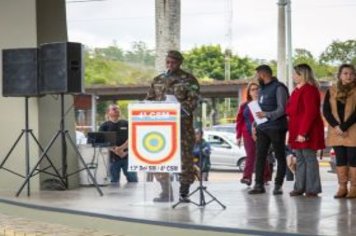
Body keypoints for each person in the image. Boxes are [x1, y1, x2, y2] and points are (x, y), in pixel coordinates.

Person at [146, 50, 200, 202]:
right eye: (168, 62)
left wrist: (176, 107)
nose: (170, 65)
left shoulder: (189, 79)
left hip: (182, 129)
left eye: (174, 62)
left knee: (185, 161)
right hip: (161, 129)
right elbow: (149, 100)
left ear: (180, 62)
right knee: (159, 159)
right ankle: (166, 192)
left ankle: (184, 193)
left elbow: (193, 101)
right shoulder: (158, 79)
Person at [248, 65, 289, 195]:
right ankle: (259, 184)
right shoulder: (262, 89)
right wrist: (255, 123)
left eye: (257, 75)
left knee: (279, 156)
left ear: (263, 74)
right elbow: (260, 109)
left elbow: (282, 109)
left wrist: (267, 114)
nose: (256, 78)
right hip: (262, 128)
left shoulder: (279, 87)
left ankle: (278, 185)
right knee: (260, 156)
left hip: (276, 127)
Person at [286, 64, 325, 197]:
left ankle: (312, 188)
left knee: (309, 159)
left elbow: (311, 112)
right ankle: (299, 187)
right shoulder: (296, 90)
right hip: (296, 129)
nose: (293, 76)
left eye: (295, 74)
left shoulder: (310, 89)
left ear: (302, 75)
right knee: (300, 159)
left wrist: (303, 132)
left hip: (307, 130)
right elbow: (290, 110)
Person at [323, 64, 356, 198]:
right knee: (340, 159)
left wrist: (344, 126)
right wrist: (336, 126)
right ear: (340, 75)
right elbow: (326, 110)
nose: (349, 76)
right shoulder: (332, 90)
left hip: (352, 130)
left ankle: (354, 187)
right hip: (336, 131)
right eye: (345, 73)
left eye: (351, 73)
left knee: (353, 159)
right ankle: (342, 187)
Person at [235, 81, 271, 186]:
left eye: (257, 89)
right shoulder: (244, 105)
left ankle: (265, 177)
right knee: (250, 155)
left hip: (262, 132)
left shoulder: (264, 104)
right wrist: (238, 136)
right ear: (249, 92)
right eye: (253, 89)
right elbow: (239, 121)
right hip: (247, 133)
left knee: (261, 155)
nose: (255, 91)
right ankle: (247, 177)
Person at [99, 104, 138, 184]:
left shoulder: (126, 123)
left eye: (118, 109)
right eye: (114, 109)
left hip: (127, 157)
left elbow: (133, 137)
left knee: (133, 179)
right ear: (108, 112)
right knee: (114, 181)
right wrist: (116, 151)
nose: (117, 110)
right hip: (112, 159)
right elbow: (102, 141)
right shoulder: (104, 126)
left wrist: (122, 149)